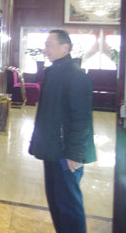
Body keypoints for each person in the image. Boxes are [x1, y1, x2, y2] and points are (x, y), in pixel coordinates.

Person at [29, 30, 96, 233]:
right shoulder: (54, 72)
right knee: (56, 202)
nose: (45, 49)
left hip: (66, 153)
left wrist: (74, 153)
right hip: (52, 149)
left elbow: (81, 119)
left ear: (65, 48)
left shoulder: (75, 76)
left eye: (49, 44)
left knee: (68, 206)